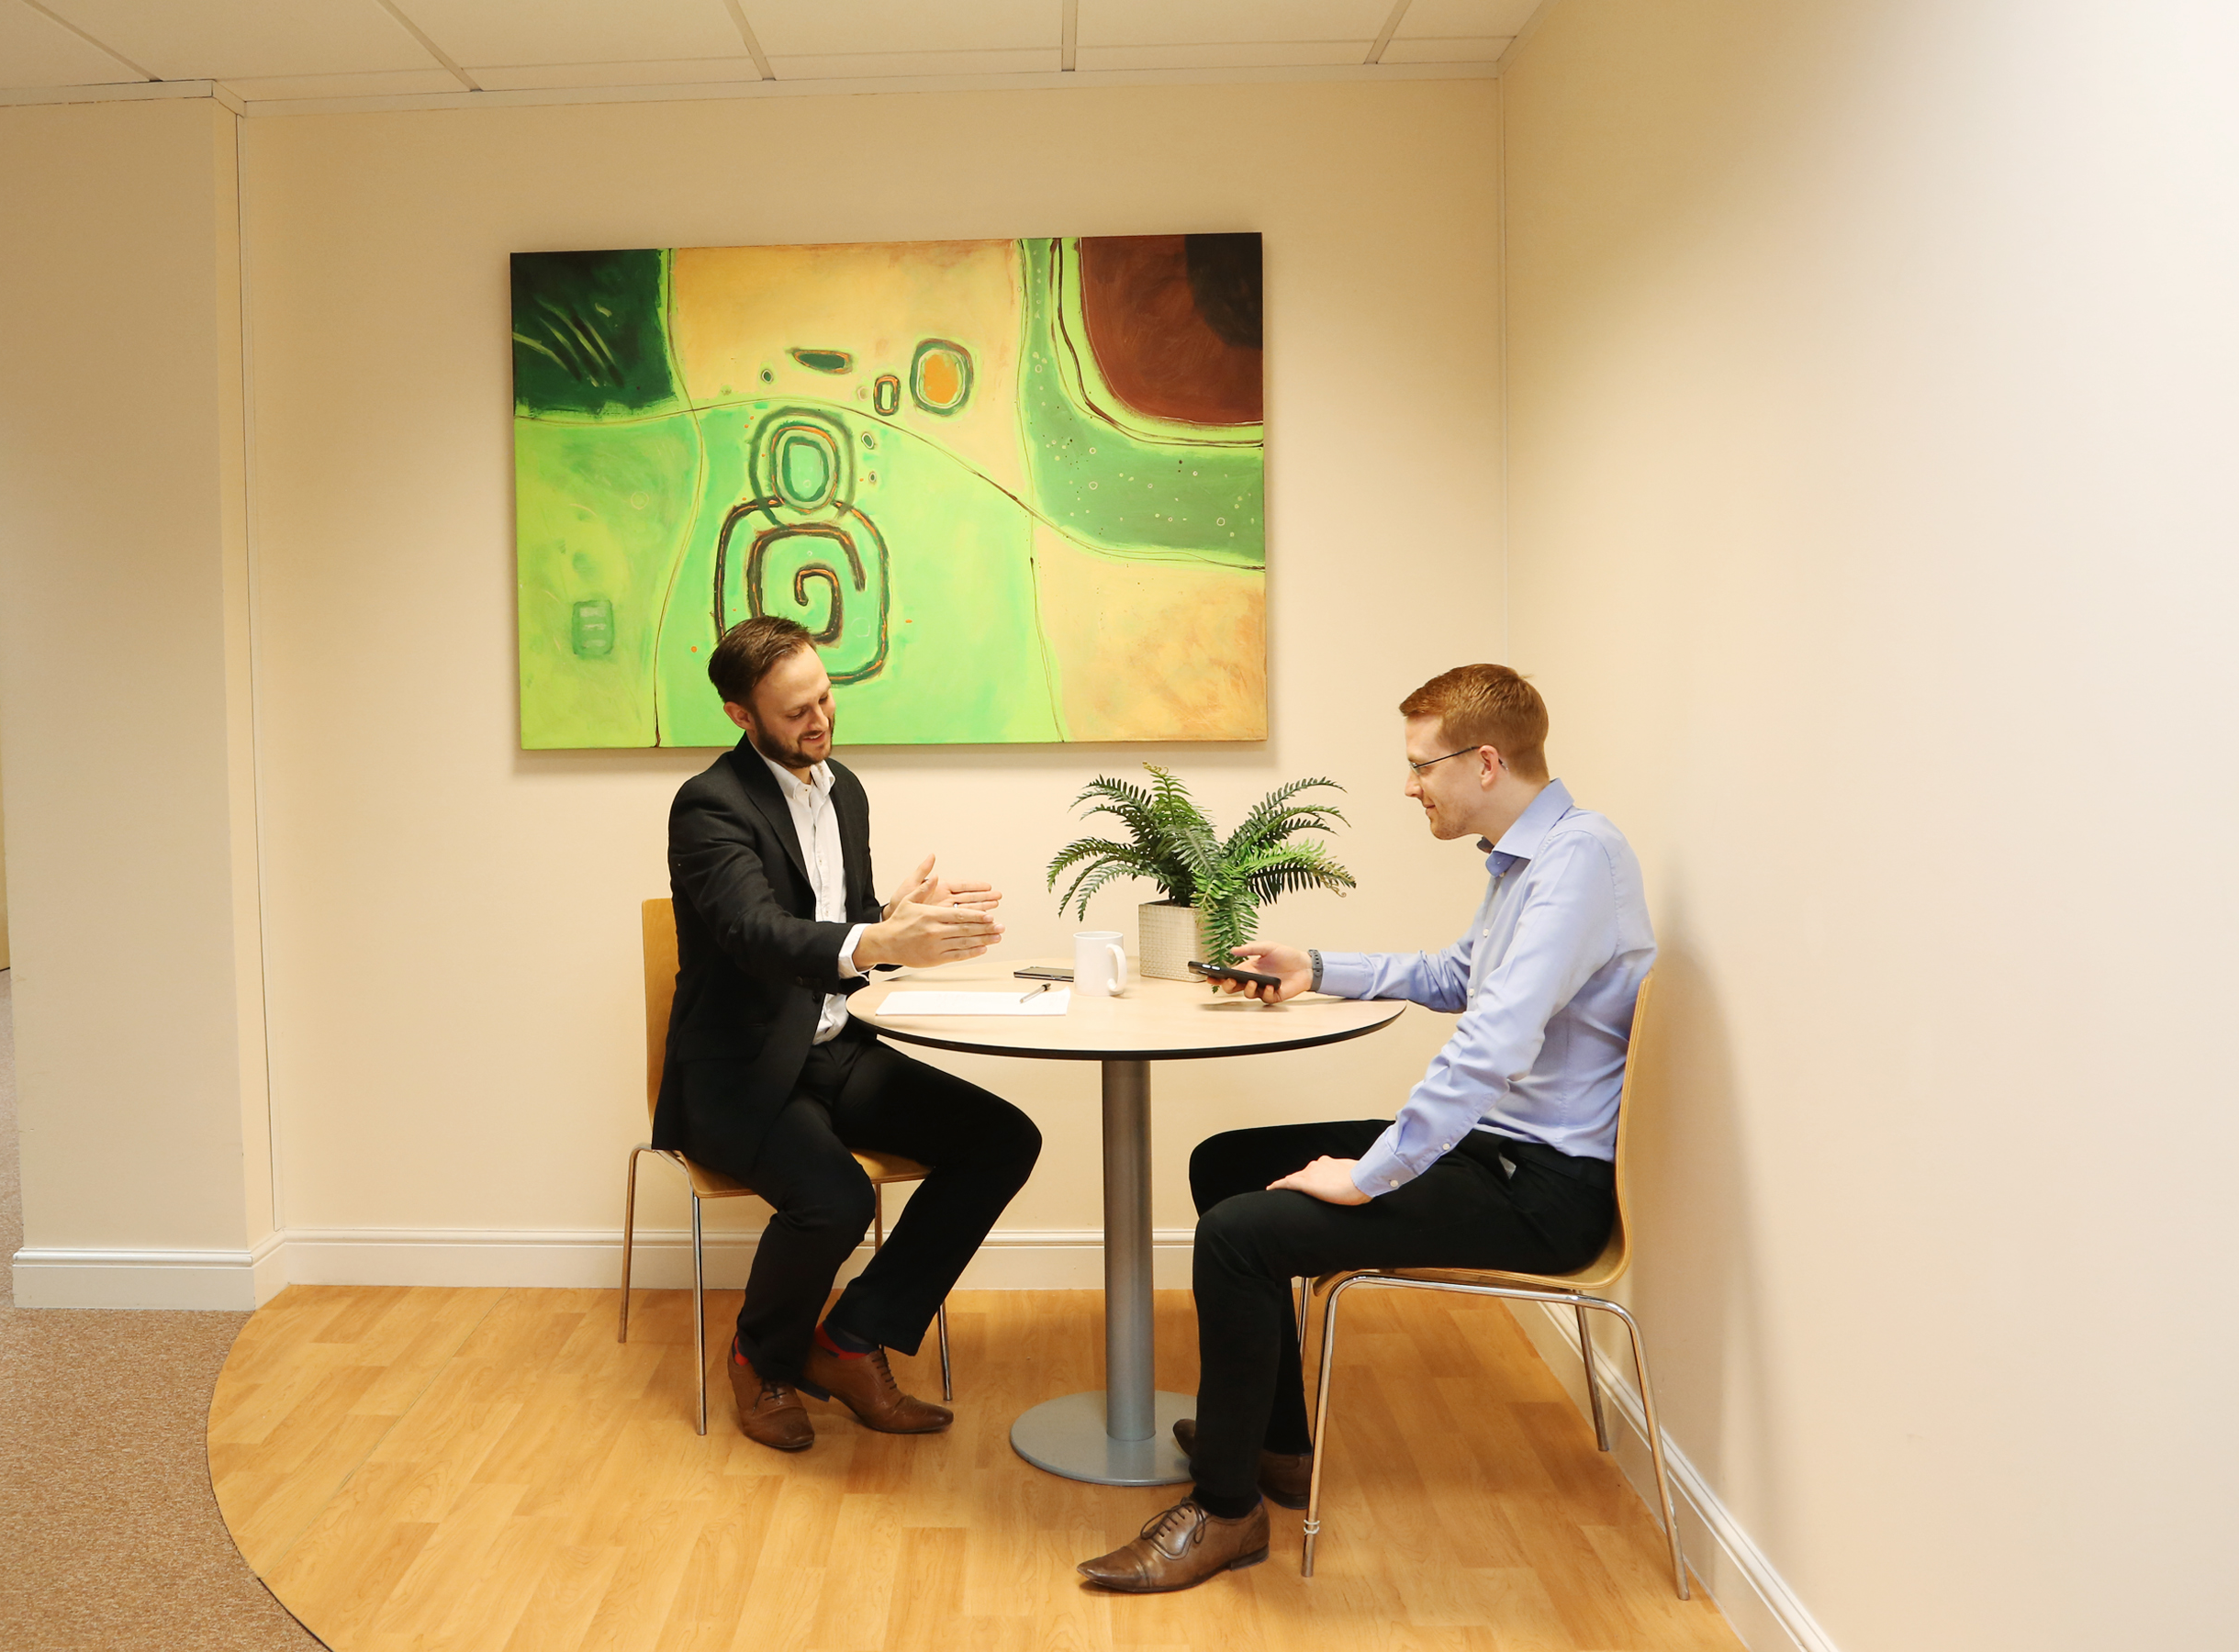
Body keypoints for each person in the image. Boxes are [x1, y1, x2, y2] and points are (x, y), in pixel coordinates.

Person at [1077, 664, 1653, 1591]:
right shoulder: (1529, 864)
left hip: (1543, 1191)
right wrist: (1317, 965)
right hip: (1499, 1152)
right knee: (1226, 1164)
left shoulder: (1579, 863)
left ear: (1486, 762)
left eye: (1423, 766)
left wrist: (1370, 1174)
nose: (1410, 785)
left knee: (1237, 1237)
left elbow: (1491, 1047)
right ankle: (1274, 1448)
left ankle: (1227, 1515)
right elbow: (1456, 978)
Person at [660, 615, 1042, 1453]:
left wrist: (890, 922)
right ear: (741, 715)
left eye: (825, 698)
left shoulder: (845, 790)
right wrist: (876, 939)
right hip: (742, 1069)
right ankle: (758, 1357)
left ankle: (848, 1342)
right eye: (796, 711)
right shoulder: (709, 806)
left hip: (832, 1046)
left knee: (1002, 1139)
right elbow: (756, 934)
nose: (820, 721)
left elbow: (837, 930)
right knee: (834, 1197)